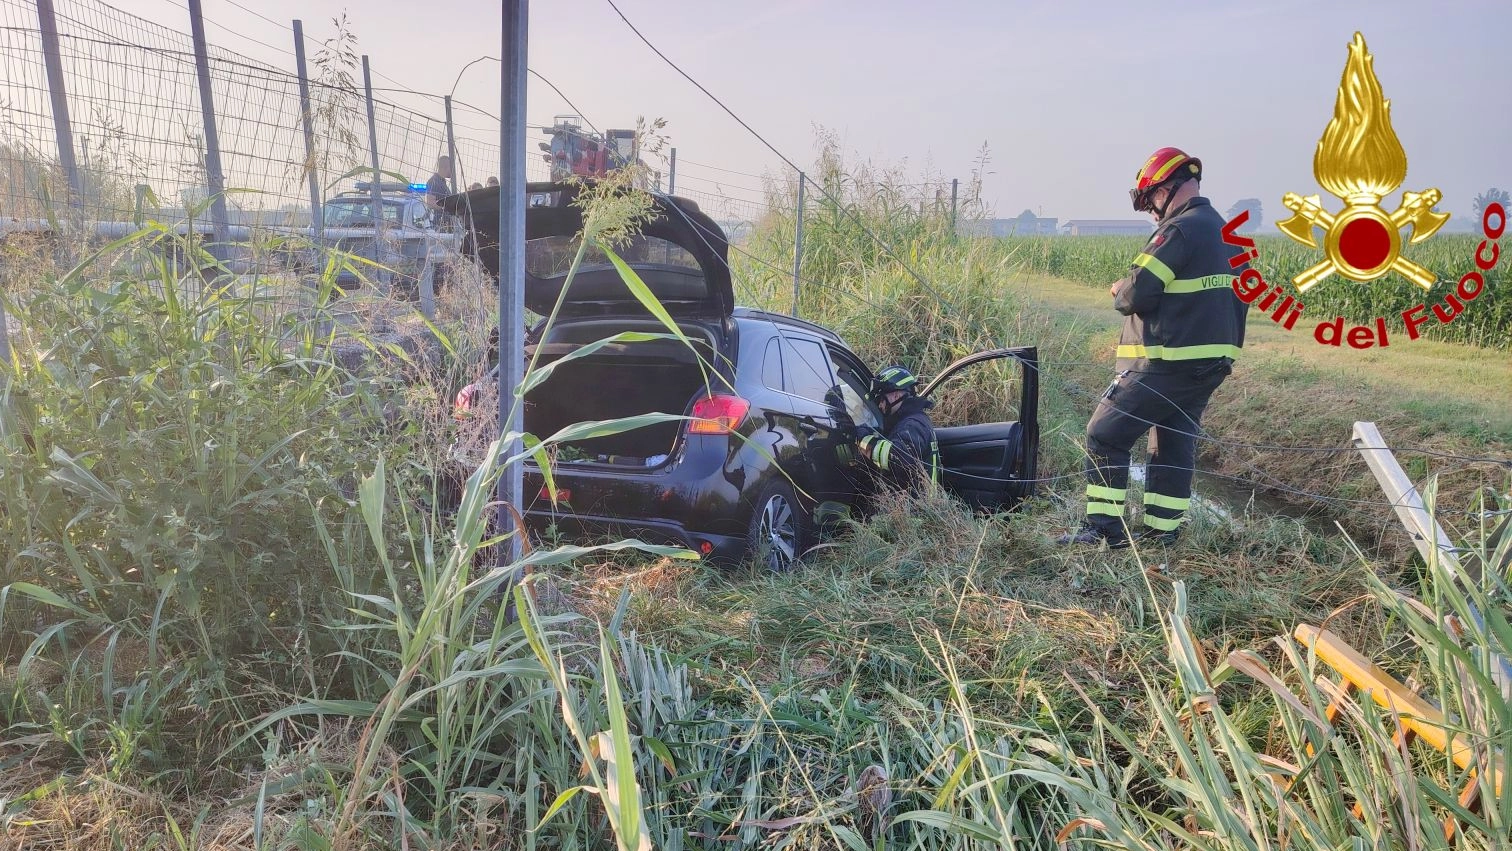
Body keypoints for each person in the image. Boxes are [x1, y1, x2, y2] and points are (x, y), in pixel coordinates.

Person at [1058, 147, 1250, 549]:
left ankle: (1103, 532)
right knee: (1171, 444)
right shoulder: (1226, 232)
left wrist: (1119, 286)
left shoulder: (1179, 231)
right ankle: (1162, 534)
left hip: (1165, 362)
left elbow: (1133, 295)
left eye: (1150, 201)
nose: (1150, 212)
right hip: (1210, 365)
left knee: (1104, 434)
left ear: (1168, 188)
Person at [846, 365, 940, 493]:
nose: (879, 405)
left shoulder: (913, 424)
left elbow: (897, 458)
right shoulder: (910, 420)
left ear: (895, 395)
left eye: (881, 399)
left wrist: (864, 439)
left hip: (917, 509)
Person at [425, 155, 454, 224]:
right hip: (440, 224)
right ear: (445, 167)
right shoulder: (433, 181)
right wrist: (447, 209)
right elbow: (430, 203)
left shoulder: (442, 182)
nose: (453, 170)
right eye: (451, 167)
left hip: (446, 223)